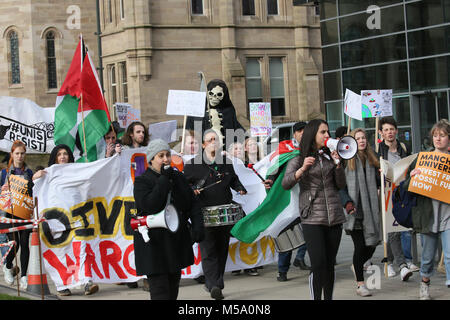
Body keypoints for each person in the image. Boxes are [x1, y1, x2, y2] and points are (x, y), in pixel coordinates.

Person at [282, 119, 346, 300]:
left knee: (328, 265)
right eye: (323, 132)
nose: (327, 135)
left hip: (334, 217)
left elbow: (340, 185)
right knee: (318, 264)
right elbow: (286, 183)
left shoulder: (330, 157)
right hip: (312, 218)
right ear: (313, 134)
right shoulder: (298, 158)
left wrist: (338, 165)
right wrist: (302, 169)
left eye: (328, 132)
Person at [133, 139, 204, 300]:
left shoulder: (178, 177)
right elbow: (150, 205)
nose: (166, 159)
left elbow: (191, 203)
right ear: (151, 159)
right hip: (155, 247)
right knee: (160, 293)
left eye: (167, 155)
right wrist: (164, 180)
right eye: (161, 156)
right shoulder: (142, 181)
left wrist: (198, 226)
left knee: (173, 290)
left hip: (174, 244)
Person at [183, 130, 247, 300]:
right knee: (208, 250)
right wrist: (192, 190)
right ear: (203, 144)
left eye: (216, 140)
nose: (213, 142)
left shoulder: (226, 162)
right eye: (210, 140)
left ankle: (213, 283)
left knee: (221, 250)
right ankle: (215, 285)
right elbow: (184, 187)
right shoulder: (192, 165)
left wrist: (240, 187)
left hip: (224, 213)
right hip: (204, 214)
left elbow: (233, 179)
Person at [33, 144, 100, 296]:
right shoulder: (47, 173)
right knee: (61, 253)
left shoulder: (76, 172)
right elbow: (36, 190)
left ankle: (86, 282)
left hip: (77, 220)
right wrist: (35, 178)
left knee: (81, 249)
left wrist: (111, 156)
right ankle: (62, 285)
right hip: (56, 223)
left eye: (65, 154)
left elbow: (95, 174)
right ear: (55, 157)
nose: (63, 156)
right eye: (59, 154)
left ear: (70, 156)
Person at [403, 119, 450, 300]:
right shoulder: (422, 159)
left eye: (442, 135)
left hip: (447, 215)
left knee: (449, 256)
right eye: (435, 135)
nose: (438, 139)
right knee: (428, 256)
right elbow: (406, 187)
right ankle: (424, 284)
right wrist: (413, 177)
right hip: (428, 216)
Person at [265, 121, 311, 282]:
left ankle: (301, 258)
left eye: (305, 131)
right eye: (299, 131)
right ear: (294, 134)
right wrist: (270, 180)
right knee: (286, 233)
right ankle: (282, 270)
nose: (302, 134)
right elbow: (274, 167)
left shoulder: (313, 149)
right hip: (288, 197)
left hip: (307, 196)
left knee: (310, 232)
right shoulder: (285, 149)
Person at [339, 128, 381, 297]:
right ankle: (361, 284)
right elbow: (340, 186)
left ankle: (357, 265)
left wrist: (381, 174)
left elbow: (379, 183)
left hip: (371, 209)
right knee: (360, 246)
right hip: (355, 210)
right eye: (358, 138)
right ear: (352, 142)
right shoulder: (346, 159)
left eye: (363, 138)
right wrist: (347, 203)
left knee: (372, 245)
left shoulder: (373, 158)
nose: (362, 141)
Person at [377, 116, 417, 280]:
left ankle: (404, 260)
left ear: (396, 131)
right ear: (381, 132)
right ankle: (395, 263)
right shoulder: (378, 150)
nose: (389, 132)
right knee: (391, 229)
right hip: (387, 193)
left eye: (391, 129)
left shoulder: (403, 147)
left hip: (403, 192)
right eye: (386, 130)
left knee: (405, 226)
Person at [0, 141, 33, 290]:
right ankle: (8, 266)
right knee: (15, 244)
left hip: (24, 213)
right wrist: (3, 188)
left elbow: (33, 192)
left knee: (25, 243)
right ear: (12, 155)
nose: (20, 156)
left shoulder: (29, 172)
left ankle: (24, 275)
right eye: (17, 153)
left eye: (22, 153)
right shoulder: (4, 173)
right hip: (8, 214)